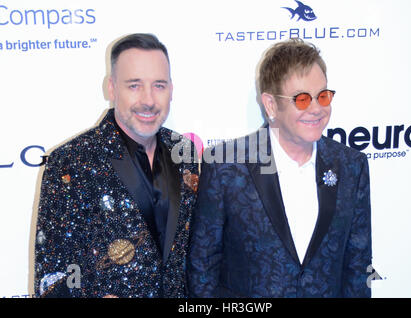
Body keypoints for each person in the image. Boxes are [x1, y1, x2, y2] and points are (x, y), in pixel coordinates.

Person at [187, 38, 372, 297]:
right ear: (271, 105)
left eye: (323, 96)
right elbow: (202, 270)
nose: (318, 109)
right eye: (303, 99)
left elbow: (358, 266)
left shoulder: (351, 166)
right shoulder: (226, 167)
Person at [34, 33, 199, 298]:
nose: (148, 99)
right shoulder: (69, 162)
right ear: (111, 88)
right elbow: (51, 279)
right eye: (134, 85)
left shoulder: (185, 153)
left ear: (171, 89)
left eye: (159, 85)